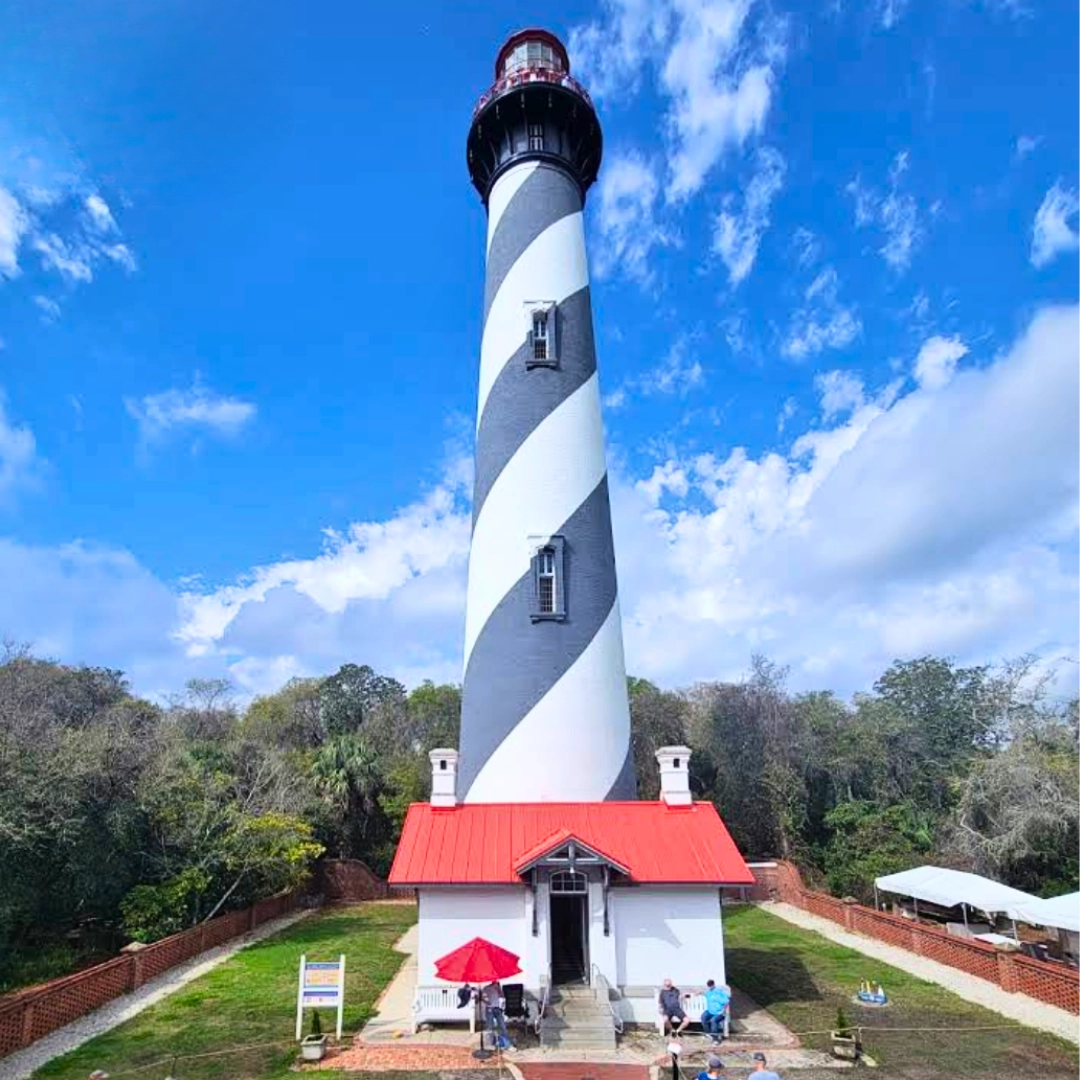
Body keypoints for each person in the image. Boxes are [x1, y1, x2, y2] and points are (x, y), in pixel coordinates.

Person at [481, 980, 514, 1051]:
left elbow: (502, 996)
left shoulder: (497, 988)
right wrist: (487, 1001)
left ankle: (507, 1045)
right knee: (490, 1027)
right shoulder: (486, 988)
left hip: (497, 1008)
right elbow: (483, 998)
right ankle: (492, 1044)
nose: (496, 981)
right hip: (489, 1009)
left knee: (502, 1026)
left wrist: (499, 989)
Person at [700, 979, 731, 1044]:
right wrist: (699, 992)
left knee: (713, 1021)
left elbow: (726, 1002)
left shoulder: (719, 992)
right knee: (703, 1017)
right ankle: (708, 1033)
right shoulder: (709, 993)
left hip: (719, 1013)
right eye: (709, 986)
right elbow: (704, 993)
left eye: (711, 985)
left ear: (714, 985)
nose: (710, 987)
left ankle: (715, 1039)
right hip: (710, 1011)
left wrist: (723, 1011)